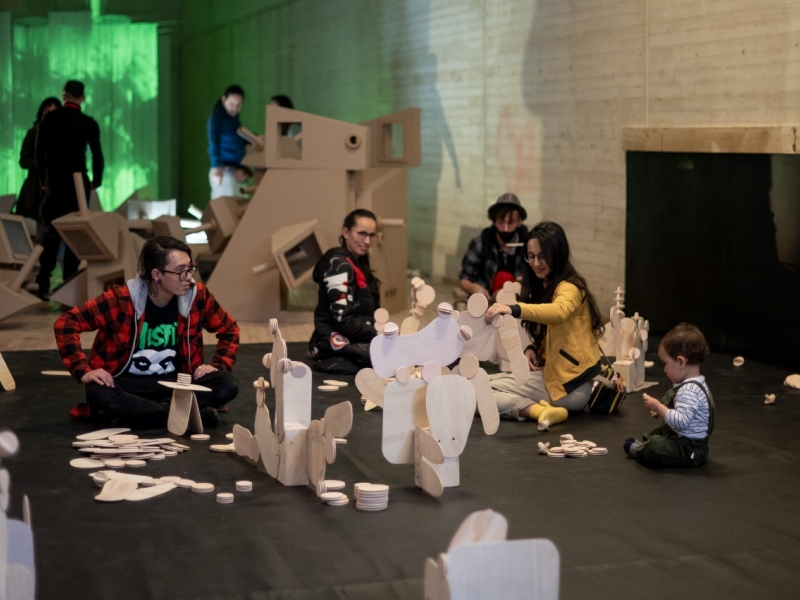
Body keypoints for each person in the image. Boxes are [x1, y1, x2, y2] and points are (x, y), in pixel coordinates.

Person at [54, 236, 240, 429]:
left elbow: (229, 329)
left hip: (175, 384)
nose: (189, 278)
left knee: (227, 383)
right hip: (129, 385)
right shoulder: (122, 299)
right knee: (96, 390)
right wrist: (83, 370)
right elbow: (67, 322)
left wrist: (218, 365)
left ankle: (141, 415)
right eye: (180, 272)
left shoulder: (197, 296)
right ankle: (181, 414)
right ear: (156, 274)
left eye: (190, 269)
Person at [485, 221, 604, 429]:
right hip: (567, 383)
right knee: (484, 386)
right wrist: (534, 348)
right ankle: (543, 411)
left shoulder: (570, 287)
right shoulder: (548, 286)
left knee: (479, 391)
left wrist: (513, 308)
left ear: (558, 254)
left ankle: (537, 411)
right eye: (531, 256)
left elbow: (558, 312)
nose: (536, 263)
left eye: (542, 256)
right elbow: (556, 333)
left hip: (569, 387)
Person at [35, 80, 104, 298]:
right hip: (78, 185)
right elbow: (97, 156)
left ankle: (43, 281)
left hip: (55, 183)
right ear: (83, 98)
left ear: (64, 95)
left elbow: (39, 154)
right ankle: (70, 283)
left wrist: (43, 181)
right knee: (75, 234)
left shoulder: (50, 119)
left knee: (51, 233)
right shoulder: (88, 123)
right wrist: (96, 180)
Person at [624, 323, 715, 468]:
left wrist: (659, 407)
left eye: (666, 363)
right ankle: (646, 447)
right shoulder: (697, 384)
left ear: (680, 362)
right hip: (688, 442)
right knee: (663, 429)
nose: (664, 369)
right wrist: (662, 409)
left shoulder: (689, 390)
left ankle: (642, 450)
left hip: (689, 450)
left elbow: (681, 421)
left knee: (656, 445)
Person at [309, 209, 381, 374]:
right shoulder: (338, 265)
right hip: (331, 343)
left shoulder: (358, 261)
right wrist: (377, 334)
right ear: (346, 232)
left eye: (372, 235)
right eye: (361, 234)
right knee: (391, 358)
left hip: (352, 338)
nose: (367, 241)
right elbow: (343, 320)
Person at [459, 193, 529, 299]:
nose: (505, 229)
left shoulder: (529, 246)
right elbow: (464, 279)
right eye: (501, 222)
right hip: (487, 302)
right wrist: (474, 288)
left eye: (510, 222)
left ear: (519, 221)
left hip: (518, 304)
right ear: (494, 221)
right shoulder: (480, 243)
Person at [14, 96, 62, 225]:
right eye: (46, 110)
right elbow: (23, 160)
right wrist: (43, 166)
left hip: (55, 187)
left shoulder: (62, 136)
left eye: (53, 111)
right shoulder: (33, 133)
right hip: (33, 189)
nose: (49, 114)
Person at [207, 84, 250, 199]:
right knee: (225, 209)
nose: (234, 108)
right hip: (222, 171)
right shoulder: (216, 119)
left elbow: (239, 143)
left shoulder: (235, 120)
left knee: (240, 208)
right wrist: (217, 167)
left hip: (236, 171)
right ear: (223, 99)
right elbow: (213, 143)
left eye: (238, 105)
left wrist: (243, 168)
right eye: (231, 104)